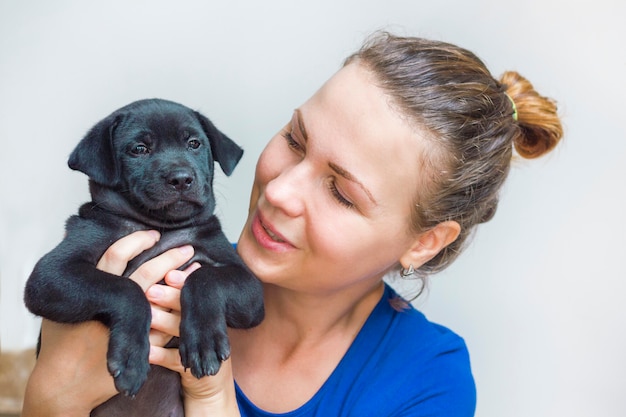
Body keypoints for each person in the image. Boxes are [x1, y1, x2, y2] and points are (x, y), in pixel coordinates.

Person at [22, 32, 563, 417]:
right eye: (295, 139)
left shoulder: (424, 381)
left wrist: (211, 398)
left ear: (424, 242)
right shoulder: (157, 263)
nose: (278, 191)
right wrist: (50, 400)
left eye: (341, 193)